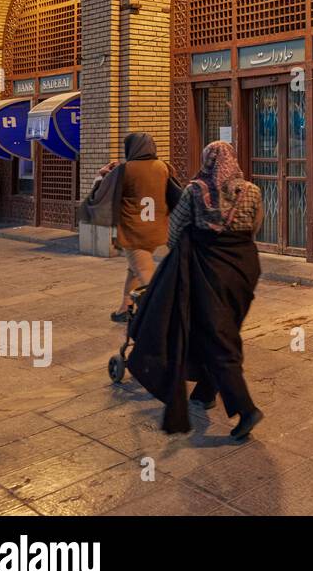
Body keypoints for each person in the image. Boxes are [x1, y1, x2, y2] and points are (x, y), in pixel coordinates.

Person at [129, 141, 264, 439]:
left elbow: (174, 232)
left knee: (217, 335)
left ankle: (245, 408)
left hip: (208, 269)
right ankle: (205, 389)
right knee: (223, 329)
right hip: (243, 268)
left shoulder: (194, 191)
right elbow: (255, 226)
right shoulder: (252, 190)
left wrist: (191, 252)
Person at [79, 132, 176, 322]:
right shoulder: (164, 167)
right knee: (134, 268)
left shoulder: (126, 169)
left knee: (145, 273)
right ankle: (125, 307)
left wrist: (101, 175)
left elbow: (103, 191)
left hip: (134, 231)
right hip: (157, 229)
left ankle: (164, 316)